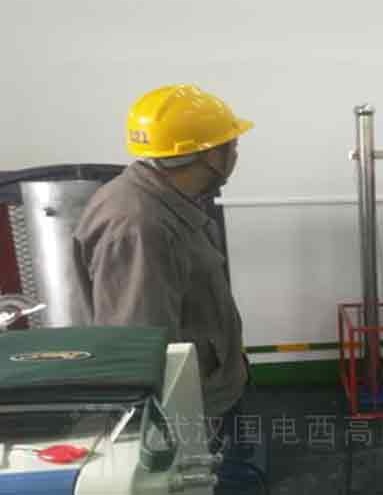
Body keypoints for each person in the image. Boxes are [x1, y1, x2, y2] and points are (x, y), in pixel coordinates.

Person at [72, 84, 258, 492]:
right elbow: (140, 343)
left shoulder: (169, 200)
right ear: (210, 155)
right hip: (191, 410)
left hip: (212, 388)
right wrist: (165, 438)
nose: (236, 152)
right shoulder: (140, 226)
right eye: (232, 144)